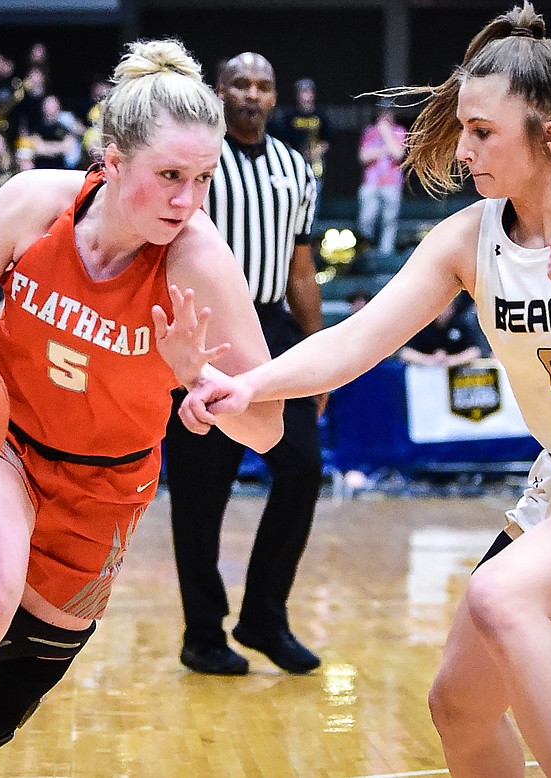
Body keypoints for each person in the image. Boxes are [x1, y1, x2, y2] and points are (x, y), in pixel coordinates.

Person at [174, 4, 551, 774]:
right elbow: (352, 343)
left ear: (549, 135)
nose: (464, 146)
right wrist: (243, 384)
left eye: (483, 131)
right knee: (457, 705)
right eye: (464, 126)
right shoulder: (467, 236)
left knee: (501, 595)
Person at [0, 38, 282, 778]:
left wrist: (198, 384)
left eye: (203, 179)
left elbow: (266, 429)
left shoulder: (199, 264)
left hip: (103, 490)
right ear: (111, 163)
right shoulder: (33, 202)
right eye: (170, 176)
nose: (188, 200)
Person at [163, 51, 324, 677]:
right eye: (240, 84)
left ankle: (263, 615)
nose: (252, 95)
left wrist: (315, 358)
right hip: (202, 335)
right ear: (219, 91)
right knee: (201, 497)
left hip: (275, 329)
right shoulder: (195, 164)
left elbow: (301, 268)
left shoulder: (294, 166)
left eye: (263, 84)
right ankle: (203, 634)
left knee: (303, 468)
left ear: (275, 95)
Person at [357, 100, 408, 257]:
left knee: (389, 220)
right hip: (371, 182)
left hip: (391, 183)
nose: (384, 116)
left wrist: (386, 134)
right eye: (382, 112)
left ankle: (385, 254)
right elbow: (364, 157)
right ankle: (364, 251)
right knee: (366, 218)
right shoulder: (369, 132)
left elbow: (398, 154)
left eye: (388, 112)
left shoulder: (400, 131)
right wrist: (385, 149)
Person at [398, 293, 482, 368]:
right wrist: (430, 360)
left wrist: (451, 360)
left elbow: (474, 351)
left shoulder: (461, 324)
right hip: (425, 374)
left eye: (447, 307)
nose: (443, 311)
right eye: (440, 307)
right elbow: (405, 352)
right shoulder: (422, 324)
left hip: (456, 374)